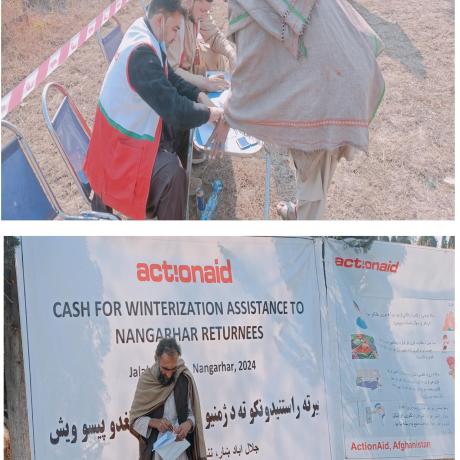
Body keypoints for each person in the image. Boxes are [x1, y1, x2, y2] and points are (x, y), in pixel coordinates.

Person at [208, 0, 385, 219]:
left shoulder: (246, 4)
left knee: (314, 172)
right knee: (309, 165)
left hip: (332, 85)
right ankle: (300, 212)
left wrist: (228, 117)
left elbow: (250, 74)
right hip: (346, 65)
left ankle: (303, 229)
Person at [83, 0, 223, 220]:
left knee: (177, 135)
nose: (177, 36)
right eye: (176, 28)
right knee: (173, 176)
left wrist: (200, 96)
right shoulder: (142, 54)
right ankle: (168, 241)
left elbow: (170, 77)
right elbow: (175, 110)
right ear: (160, 20)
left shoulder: (145, 29)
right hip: (117, 154)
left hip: (118, 141)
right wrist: (210, 114)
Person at [129, 338, 206, 460]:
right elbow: (134, 421)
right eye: (165, 368)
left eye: (173, 369)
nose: (169, 374)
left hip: (181, 451)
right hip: (155, 453)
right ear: (157, 359)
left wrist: (188, 424)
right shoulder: (146, 380)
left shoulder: (183, 378)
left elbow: (191, 414)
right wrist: (154, 422)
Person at [168, 0, 236, 93]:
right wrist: (204, 82)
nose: (204, 14)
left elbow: (214, 36)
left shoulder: (197, 10)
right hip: (174, 75)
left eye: (206, 11)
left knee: (216, 56)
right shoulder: (174, 21)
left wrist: (231, 53)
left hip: (190, 62)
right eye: (202, 10)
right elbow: (171, 70)